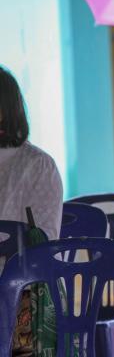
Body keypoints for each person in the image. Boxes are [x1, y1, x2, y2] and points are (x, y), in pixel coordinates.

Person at [0, 66, 63, 355]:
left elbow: (42, 243)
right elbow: (43, 239)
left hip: (17, 292)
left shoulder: (38, 164)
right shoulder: (40, 164)